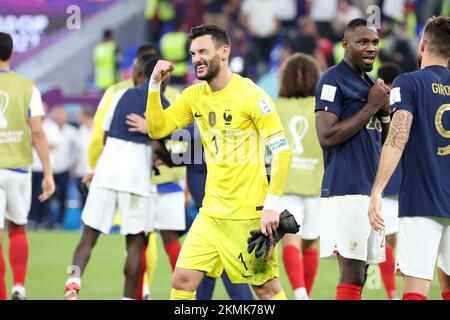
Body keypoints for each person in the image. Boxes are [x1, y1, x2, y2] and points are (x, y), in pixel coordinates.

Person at [146, 24, 292, 300]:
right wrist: (155, 86)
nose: (197, 58)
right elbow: (157, 129)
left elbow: (282, 152)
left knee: (266, 289)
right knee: (183, 279)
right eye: (192, 53)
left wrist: (271, 208)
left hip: (247, 214)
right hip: (211, 214)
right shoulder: (194, 96)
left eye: (203, 51)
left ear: (224, 52)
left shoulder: (252, 95)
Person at [368, 15, 450, 301]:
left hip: (421, 201)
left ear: (423, 44)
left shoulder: (408, 82)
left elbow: (397, 135)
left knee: (416, 292)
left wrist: (377, 189)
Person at [64, 53, 155, 300]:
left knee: (88, 237)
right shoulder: (162, 102)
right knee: (134, 243)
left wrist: (95, 166)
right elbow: (163, 146)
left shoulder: (118, 95)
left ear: (139, 73)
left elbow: (102, 136)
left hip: (107, 170)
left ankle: (73, 283)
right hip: (136, 178)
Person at [314, 18, 391, 300]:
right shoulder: (332, 80)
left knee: (360, 274)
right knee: (351, 274)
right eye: (362, 42)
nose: (370, 48)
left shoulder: (371, 83)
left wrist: (383, 113)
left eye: (374, 42)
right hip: (346, 188)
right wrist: (371, 106)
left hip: (368, 190)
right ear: (345, 45)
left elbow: (382, 142)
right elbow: (326, 135)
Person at [0, 32, 55, 300]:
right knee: (18, 227)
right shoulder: (28, 87)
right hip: (18, 170)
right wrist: (47, 172)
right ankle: (19, 286)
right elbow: (38, 133)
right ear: (12, 54)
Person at [275, 53, 323, 300]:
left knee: (291, 242)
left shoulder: (278, 106)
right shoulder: (321, 107)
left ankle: (300, 293)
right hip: (317, 186)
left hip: (287, 185)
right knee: (310, 244)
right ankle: (306, 295)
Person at [376, 62, 403, 300]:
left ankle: (395, 292)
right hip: (395, 185)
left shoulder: (391, 105)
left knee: (388, 242)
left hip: (390, 184)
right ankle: (393, 293)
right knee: (387, 242)